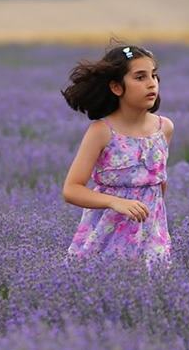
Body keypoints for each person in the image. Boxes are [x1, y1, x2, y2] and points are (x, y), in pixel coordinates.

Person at [61, 44, 174, 264]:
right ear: (116, 87)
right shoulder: (101, 132)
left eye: (154, 75)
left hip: (151, 232)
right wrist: (116, 202)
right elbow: (71, 189)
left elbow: (160, 184)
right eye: (140, 77)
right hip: (106, 234)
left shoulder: (164, 129)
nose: (152, 83)